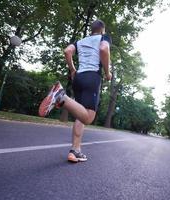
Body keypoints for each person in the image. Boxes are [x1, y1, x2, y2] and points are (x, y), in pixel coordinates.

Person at [38, 20, 112, 163]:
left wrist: (72, 69)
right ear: (102, 30)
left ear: (91, 30)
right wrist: (108, 72)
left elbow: (67, 51)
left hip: (78, 77)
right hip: (92, 77)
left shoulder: (81, 41)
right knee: (88, 117)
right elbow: (103, 49)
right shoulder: (104, 38)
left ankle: (75, 150)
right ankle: (61, 97)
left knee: (80, 113)